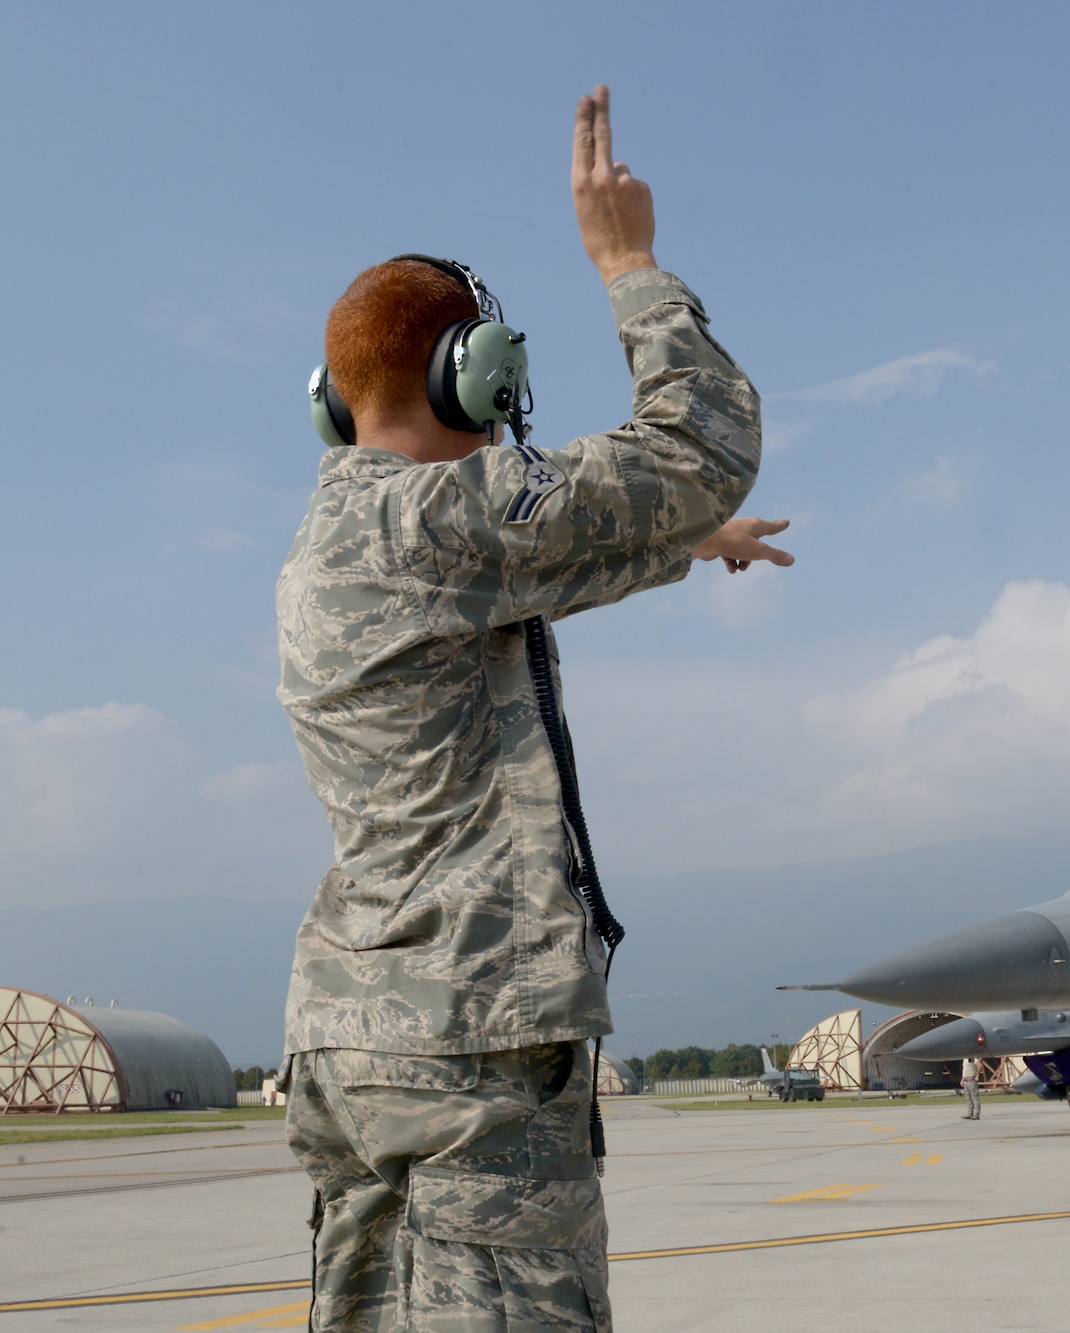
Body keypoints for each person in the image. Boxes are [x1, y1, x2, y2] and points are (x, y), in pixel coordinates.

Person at [276, 87, 791, 1332]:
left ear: (336, 399)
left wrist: (680, 541)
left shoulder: (336, 540)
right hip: (473, 1044)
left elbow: (530, 562)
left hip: (354, 1045)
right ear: (471, 374)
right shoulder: (434, 517)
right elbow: (699, 442)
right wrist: (630, 264)